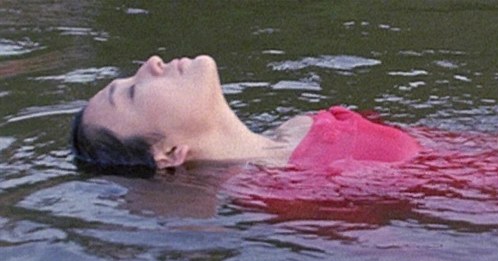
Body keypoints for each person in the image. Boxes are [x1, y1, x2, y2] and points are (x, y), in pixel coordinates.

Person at [70, 55, 421, 176]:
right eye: (132, 92)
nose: (151, 63)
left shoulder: (297, 125)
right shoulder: (282, 193)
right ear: (169, 153)